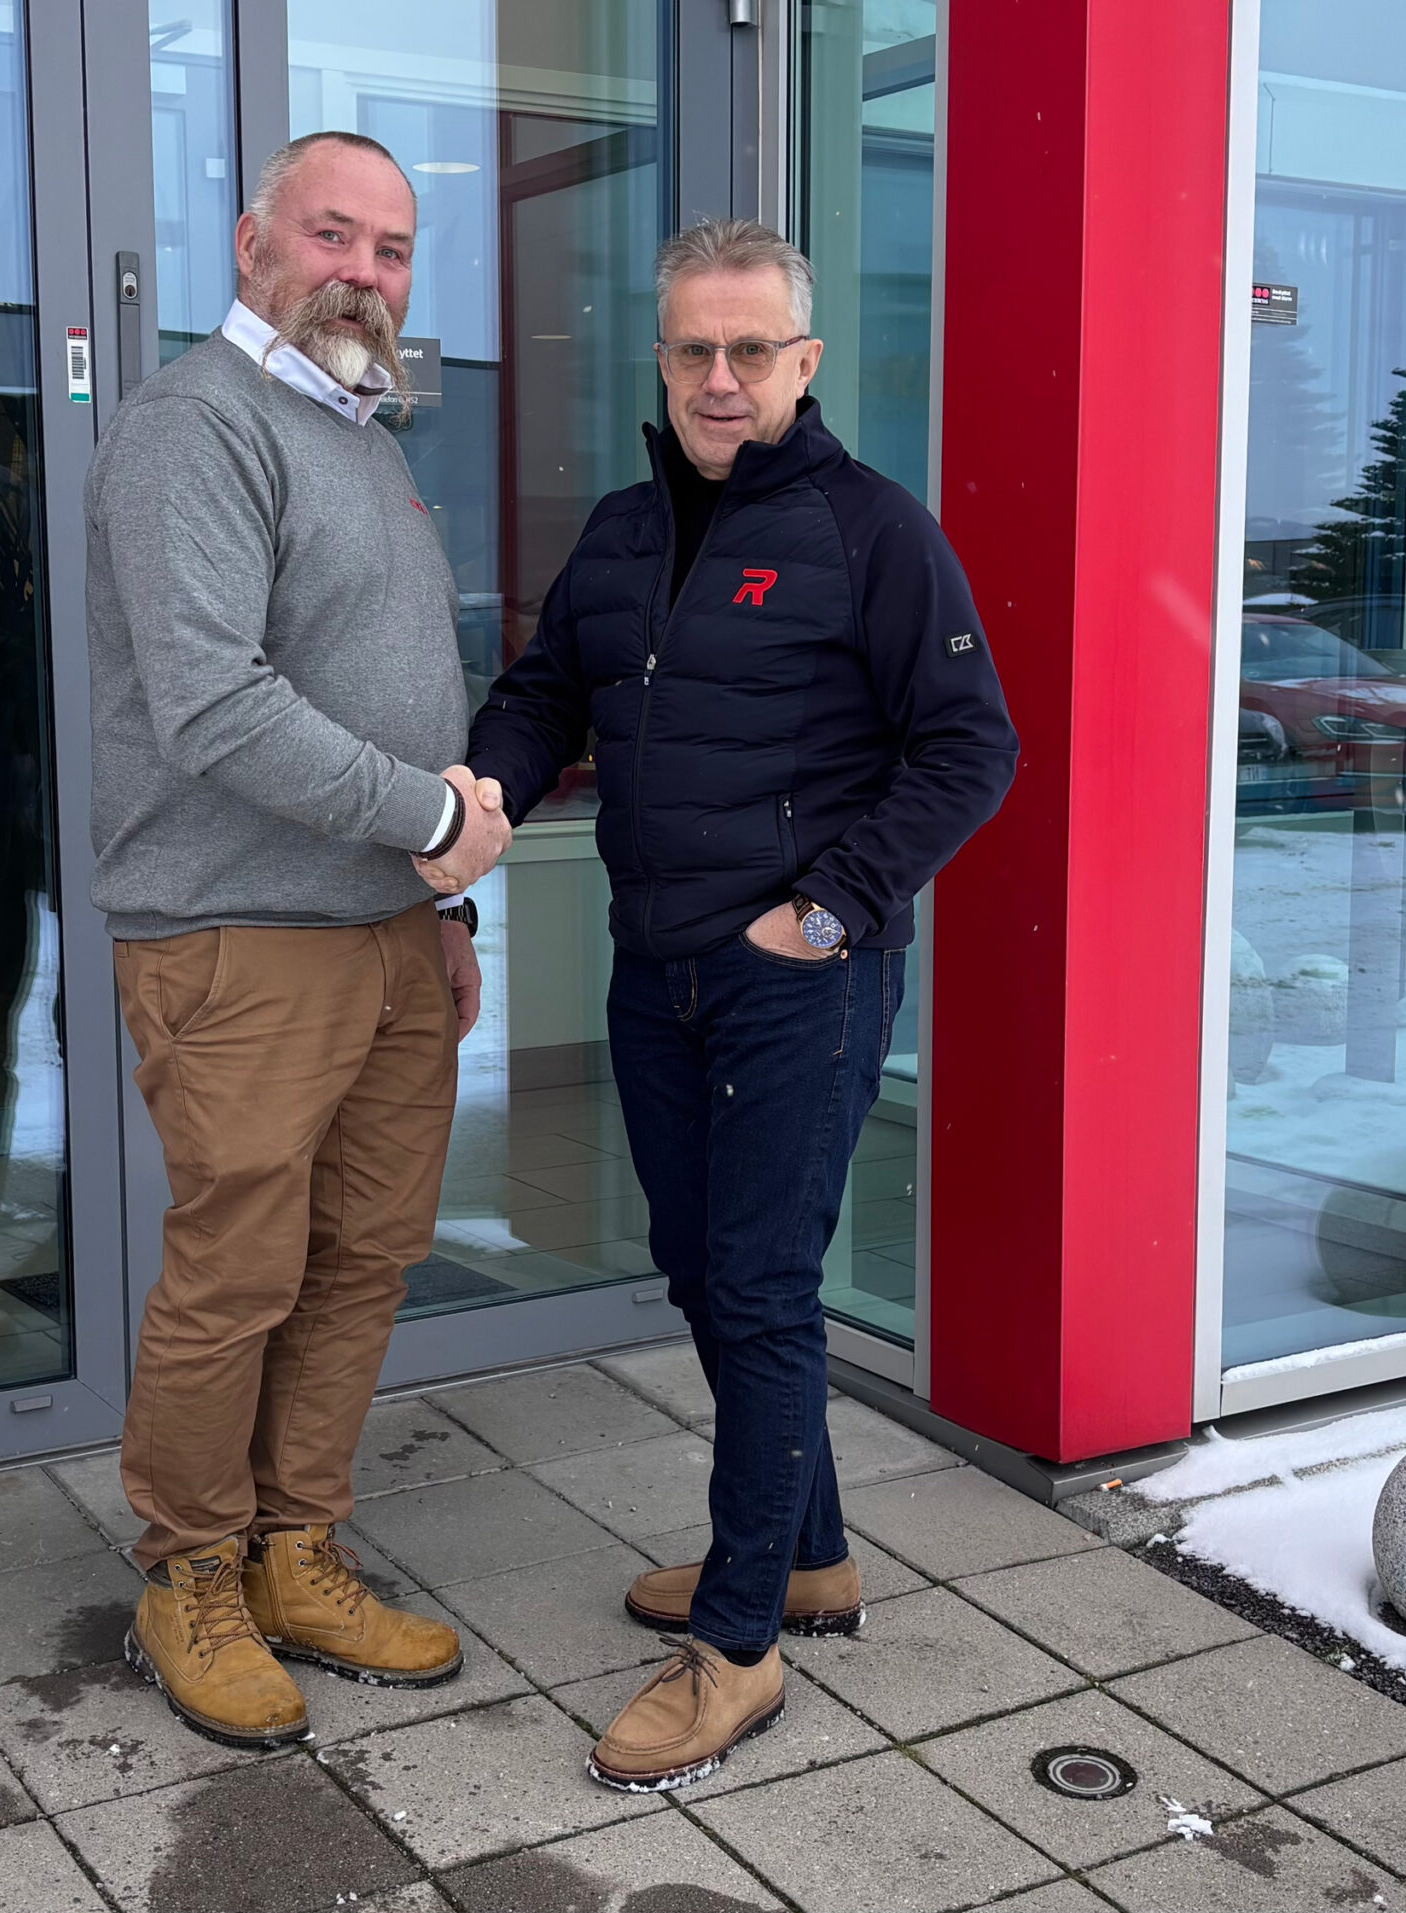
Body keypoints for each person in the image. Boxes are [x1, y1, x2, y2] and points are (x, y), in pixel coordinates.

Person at [464, 217, 1019, 1790]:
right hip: (658, 967)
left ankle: (738, 1639)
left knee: (763, 1286)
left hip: (802, 981)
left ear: (804, 361)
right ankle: (811, 1556)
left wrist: (829, 907)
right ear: (662, 361)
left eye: (750, 350)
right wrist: (488, 784)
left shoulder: (873, 531)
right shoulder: (625, 533)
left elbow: (971, 746)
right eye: (694, 349)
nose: (721, 377)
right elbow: (544, 693)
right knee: (705, 1270)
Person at [85, 129, 511, 1747]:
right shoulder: (195, 425)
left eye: (392, 250)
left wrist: (439, 899)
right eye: (334, 236)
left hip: (386, 927)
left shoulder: (359, 435)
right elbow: (213, 704)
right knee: (240, 1270)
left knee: (362, 1258)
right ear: (254, 242)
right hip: (239, 937)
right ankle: (189, 1570)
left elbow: (379, 685)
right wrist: (428, 817)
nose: (365, 273)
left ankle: (295, 1545)